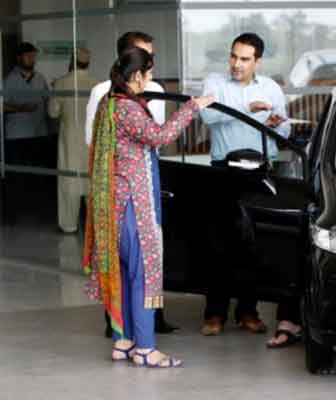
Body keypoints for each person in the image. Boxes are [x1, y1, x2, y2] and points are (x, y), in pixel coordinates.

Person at [82, 47, 214, 367]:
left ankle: (123, 342)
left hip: (113, 206)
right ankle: (146, 349)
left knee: (125, 275)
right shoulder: (126, 108)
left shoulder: (108, 103)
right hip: (132, 207)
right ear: (136, 76)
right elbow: (159, 137)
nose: (151, 79)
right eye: (149, 73)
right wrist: (191, 107)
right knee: (142, 277)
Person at [198, 32, 290, 338]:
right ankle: (214, 315)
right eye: (234, 56)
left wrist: (277, 124)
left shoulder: (271, 88)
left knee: (254, 245)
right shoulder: (215, 83)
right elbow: (208, 115)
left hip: (258, 171)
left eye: (244, 59)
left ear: (257, 61)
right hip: (224, 170)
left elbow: (286, 128)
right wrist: (246, 108)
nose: (237, 64)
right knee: (218, 244)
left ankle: (248, 312)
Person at [84, 31, 175, 335]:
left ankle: (143, 324)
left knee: (146, 254)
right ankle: (129, 334)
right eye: (145, 58)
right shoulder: (106, 95)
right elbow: (95, 141)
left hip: (146, 175)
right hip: (121, 182)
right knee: (131, 261)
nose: (151, 65)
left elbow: (154, 142)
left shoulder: (154, 89)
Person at [49, 48, 99, 234]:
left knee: (68, 182)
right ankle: (93, 226)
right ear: (88, 63)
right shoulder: (96, 84)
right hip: (90, 139)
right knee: (91, 181)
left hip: (69, 140)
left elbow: (53, 112)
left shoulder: (61, 83)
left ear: (71, 61)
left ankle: (69, 225)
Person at [3, 42, 50, 167]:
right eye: (28, 56)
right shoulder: (8, 80)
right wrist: (19, 108)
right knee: (21, 174)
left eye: (33, 56)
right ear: (19, 58)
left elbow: (48, 101)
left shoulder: (40, 78)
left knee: (39, 171)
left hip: (39, 133)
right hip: (17, 135)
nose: (31, 59)